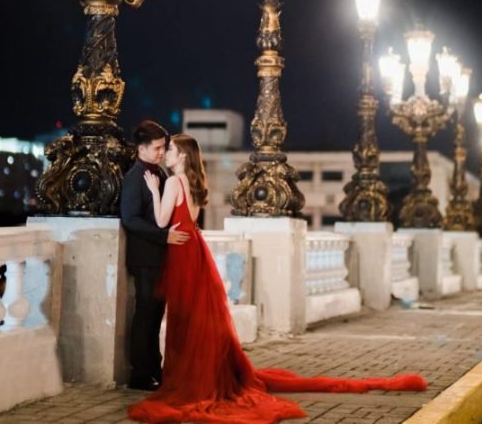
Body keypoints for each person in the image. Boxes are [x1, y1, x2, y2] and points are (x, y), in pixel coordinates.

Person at [128, 134, 426, 424]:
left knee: (184, 317)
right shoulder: (193, 183)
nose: (165, 153)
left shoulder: (171, 182)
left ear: (181, 156)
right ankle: (197, 374)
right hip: (195, 249)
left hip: (180, 252)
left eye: (171, 150)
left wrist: (153, 191)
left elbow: (161, 221)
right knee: (198, 317)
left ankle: (185, 377)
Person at [120, 120, 191, 391]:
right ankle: (139, 374)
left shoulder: (159, 173)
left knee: (155, 314)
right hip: (145, 257)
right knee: (145, 313)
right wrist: (164, 236)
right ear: (142, 148)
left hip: (161, 256)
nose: (162, 152)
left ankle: (155, 368)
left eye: (164, 148)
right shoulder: (134, 177)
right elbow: (130, 218)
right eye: (158, 148)